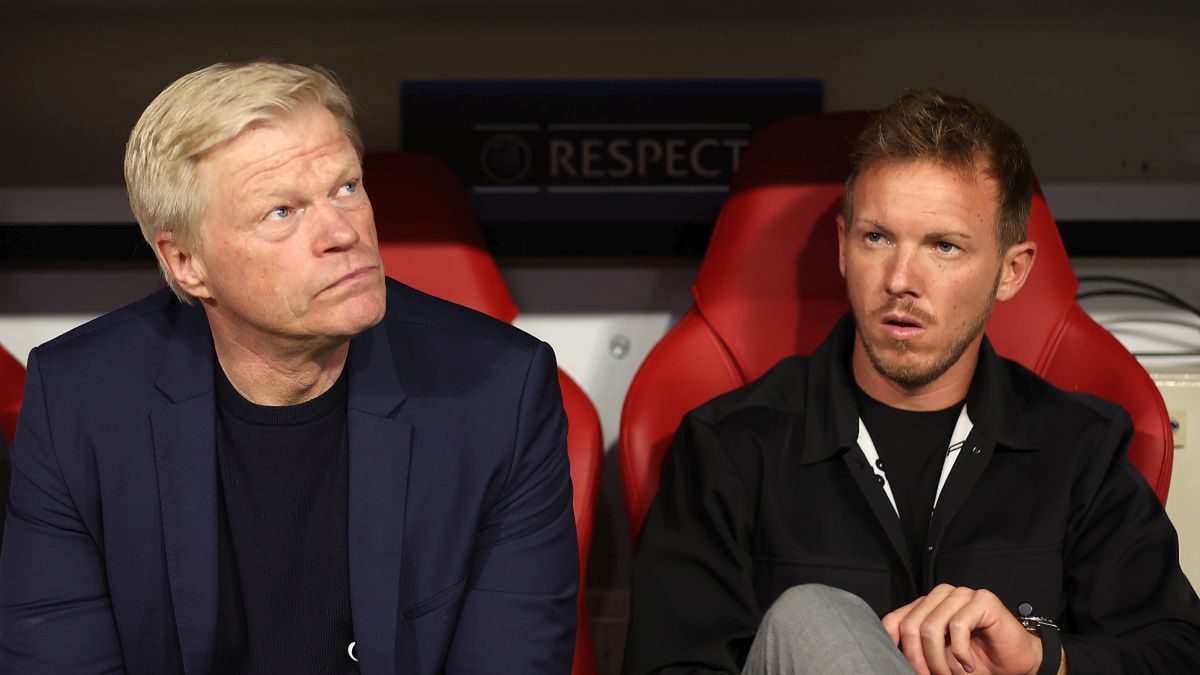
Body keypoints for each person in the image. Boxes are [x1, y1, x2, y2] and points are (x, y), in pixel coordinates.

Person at [0, 61, 578, 674]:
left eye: (347, 188)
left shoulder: (501, 390)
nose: (341, 231)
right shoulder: (79, 399)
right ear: (187, 261)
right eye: (281, 211)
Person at [623, 90, 1200, 675]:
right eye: (877, 238)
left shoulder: (1080, 447)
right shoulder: (731, 446)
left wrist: (1040, 659)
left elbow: (1177, 652)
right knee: (811, 617)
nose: (901, 279)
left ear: (1012, 271)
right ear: (843, 247)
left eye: (944, 246)